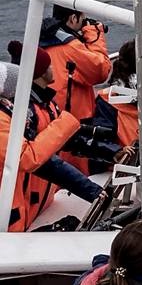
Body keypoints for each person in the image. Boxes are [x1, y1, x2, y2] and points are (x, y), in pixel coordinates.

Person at [7, 42, 104, 211]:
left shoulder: (45, 103)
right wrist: (92, 192)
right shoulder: (26, 112)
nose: (53, 68)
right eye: (49, 65)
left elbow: (70, 140)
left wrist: (112, 152)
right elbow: (43, 162)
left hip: (42, 202)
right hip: (26, 205)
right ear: (41, 73)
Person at [0, 61, 85, 231]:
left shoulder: (11, 113)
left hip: (26, 206)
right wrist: (65, 123)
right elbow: (26, 157)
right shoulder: (4, 118)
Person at [39, 4, 112, 173]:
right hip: (73, 121)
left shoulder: (42, 37)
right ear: (73, 18)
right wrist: (94, 35)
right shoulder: (70, 46)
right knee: (73, 173)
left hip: (47, 116)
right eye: (82, 19)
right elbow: (101, 71)